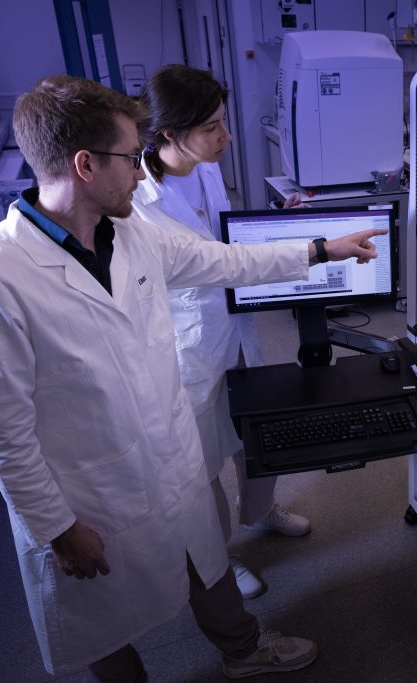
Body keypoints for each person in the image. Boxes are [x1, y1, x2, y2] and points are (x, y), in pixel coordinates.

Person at [0, 74, 383, 680]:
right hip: (88, 494)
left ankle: (244, 650)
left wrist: (317, 250)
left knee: (204, 556)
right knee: (100, 616)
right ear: (85, 165)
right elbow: (0, 432)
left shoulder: (129, 235)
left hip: (168, 453)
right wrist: (58, 529)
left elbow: (222, 261)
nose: (142, 173)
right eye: (129, 158)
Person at [132, 65, 308, 599]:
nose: (225, 137)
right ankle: (220, 555)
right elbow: (206, 263)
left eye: (223, 123)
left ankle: (260, 511)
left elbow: (222, 244)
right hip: (187, 349)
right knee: (201, 460)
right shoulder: (138, 202)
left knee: (256, 431)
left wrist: (281, 225)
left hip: (235, 329)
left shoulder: (203, 168)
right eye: (212, 127)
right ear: (169, 134)